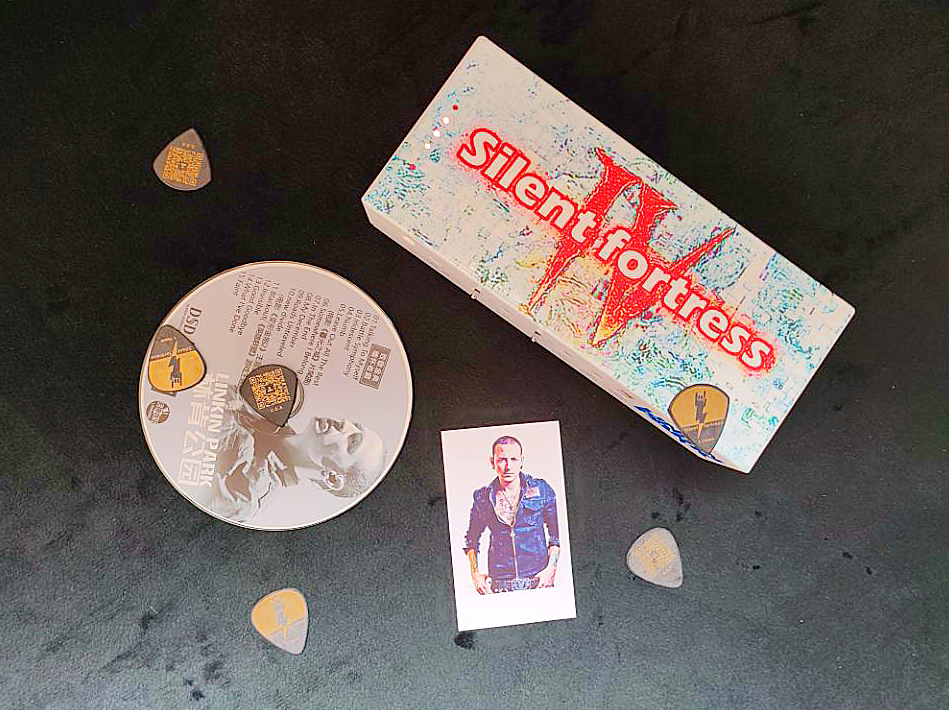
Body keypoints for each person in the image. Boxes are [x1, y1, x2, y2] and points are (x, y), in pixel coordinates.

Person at [196, 385, 386, 523]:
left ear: (333, 478)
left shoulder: (246, 497)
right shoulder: (273, 408)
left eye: (353, 441)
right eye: (355, 424)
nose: (345, 423)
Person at [463, 435, 560, 593]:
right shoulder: (482, 497)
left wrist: (551, 568)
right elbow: (471, 540)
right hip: (500, 585)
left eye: (514, 459)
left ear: (522, 461)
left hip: (538, 582)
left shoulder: (542, 490)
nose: (508, 466)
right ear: (492, 462)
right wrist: (475, 574)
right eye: (502, 460)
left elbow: (556, 537)